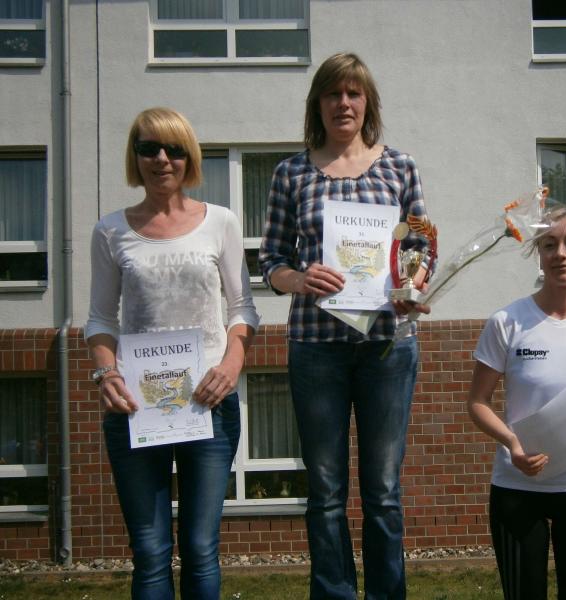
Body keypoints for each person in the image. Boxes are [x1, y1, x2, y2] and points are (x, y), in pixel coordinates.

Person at [258, 53, 432, 600]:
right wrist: (299, 278)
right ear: (318, 105)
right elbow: (270, 262)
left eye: (353, 94)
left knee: (383, 490)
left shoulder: (400, 167)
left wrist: (413, 282)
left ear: (367, 103)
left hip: (387, 348)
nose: (343, 104)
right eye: (332, 94)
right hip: (317, 350)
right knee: (327, 491)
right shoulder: (290, 173)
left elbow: (420, 246)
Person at [85, 107, 259, 600]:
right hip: (137, 408)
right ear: (135, 156)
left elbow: (243, 308)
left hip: (209, 404)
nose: (162, 159)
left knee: (201, 549)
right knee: (149, 551)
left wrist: (231, 365)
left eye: (174, 149)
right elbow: (100, 319)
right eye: (149, 148)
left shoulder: (220, 222)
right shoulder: (110, 231)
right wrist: (107, 375)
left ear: (190, 157)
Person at [467, 205, 566, 600]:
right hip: (518, 484)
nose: (561, 254)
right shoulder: (507, 322)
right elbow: (478, 402)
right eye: (550, 244)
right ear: (538, 253)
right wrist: (512, 443)